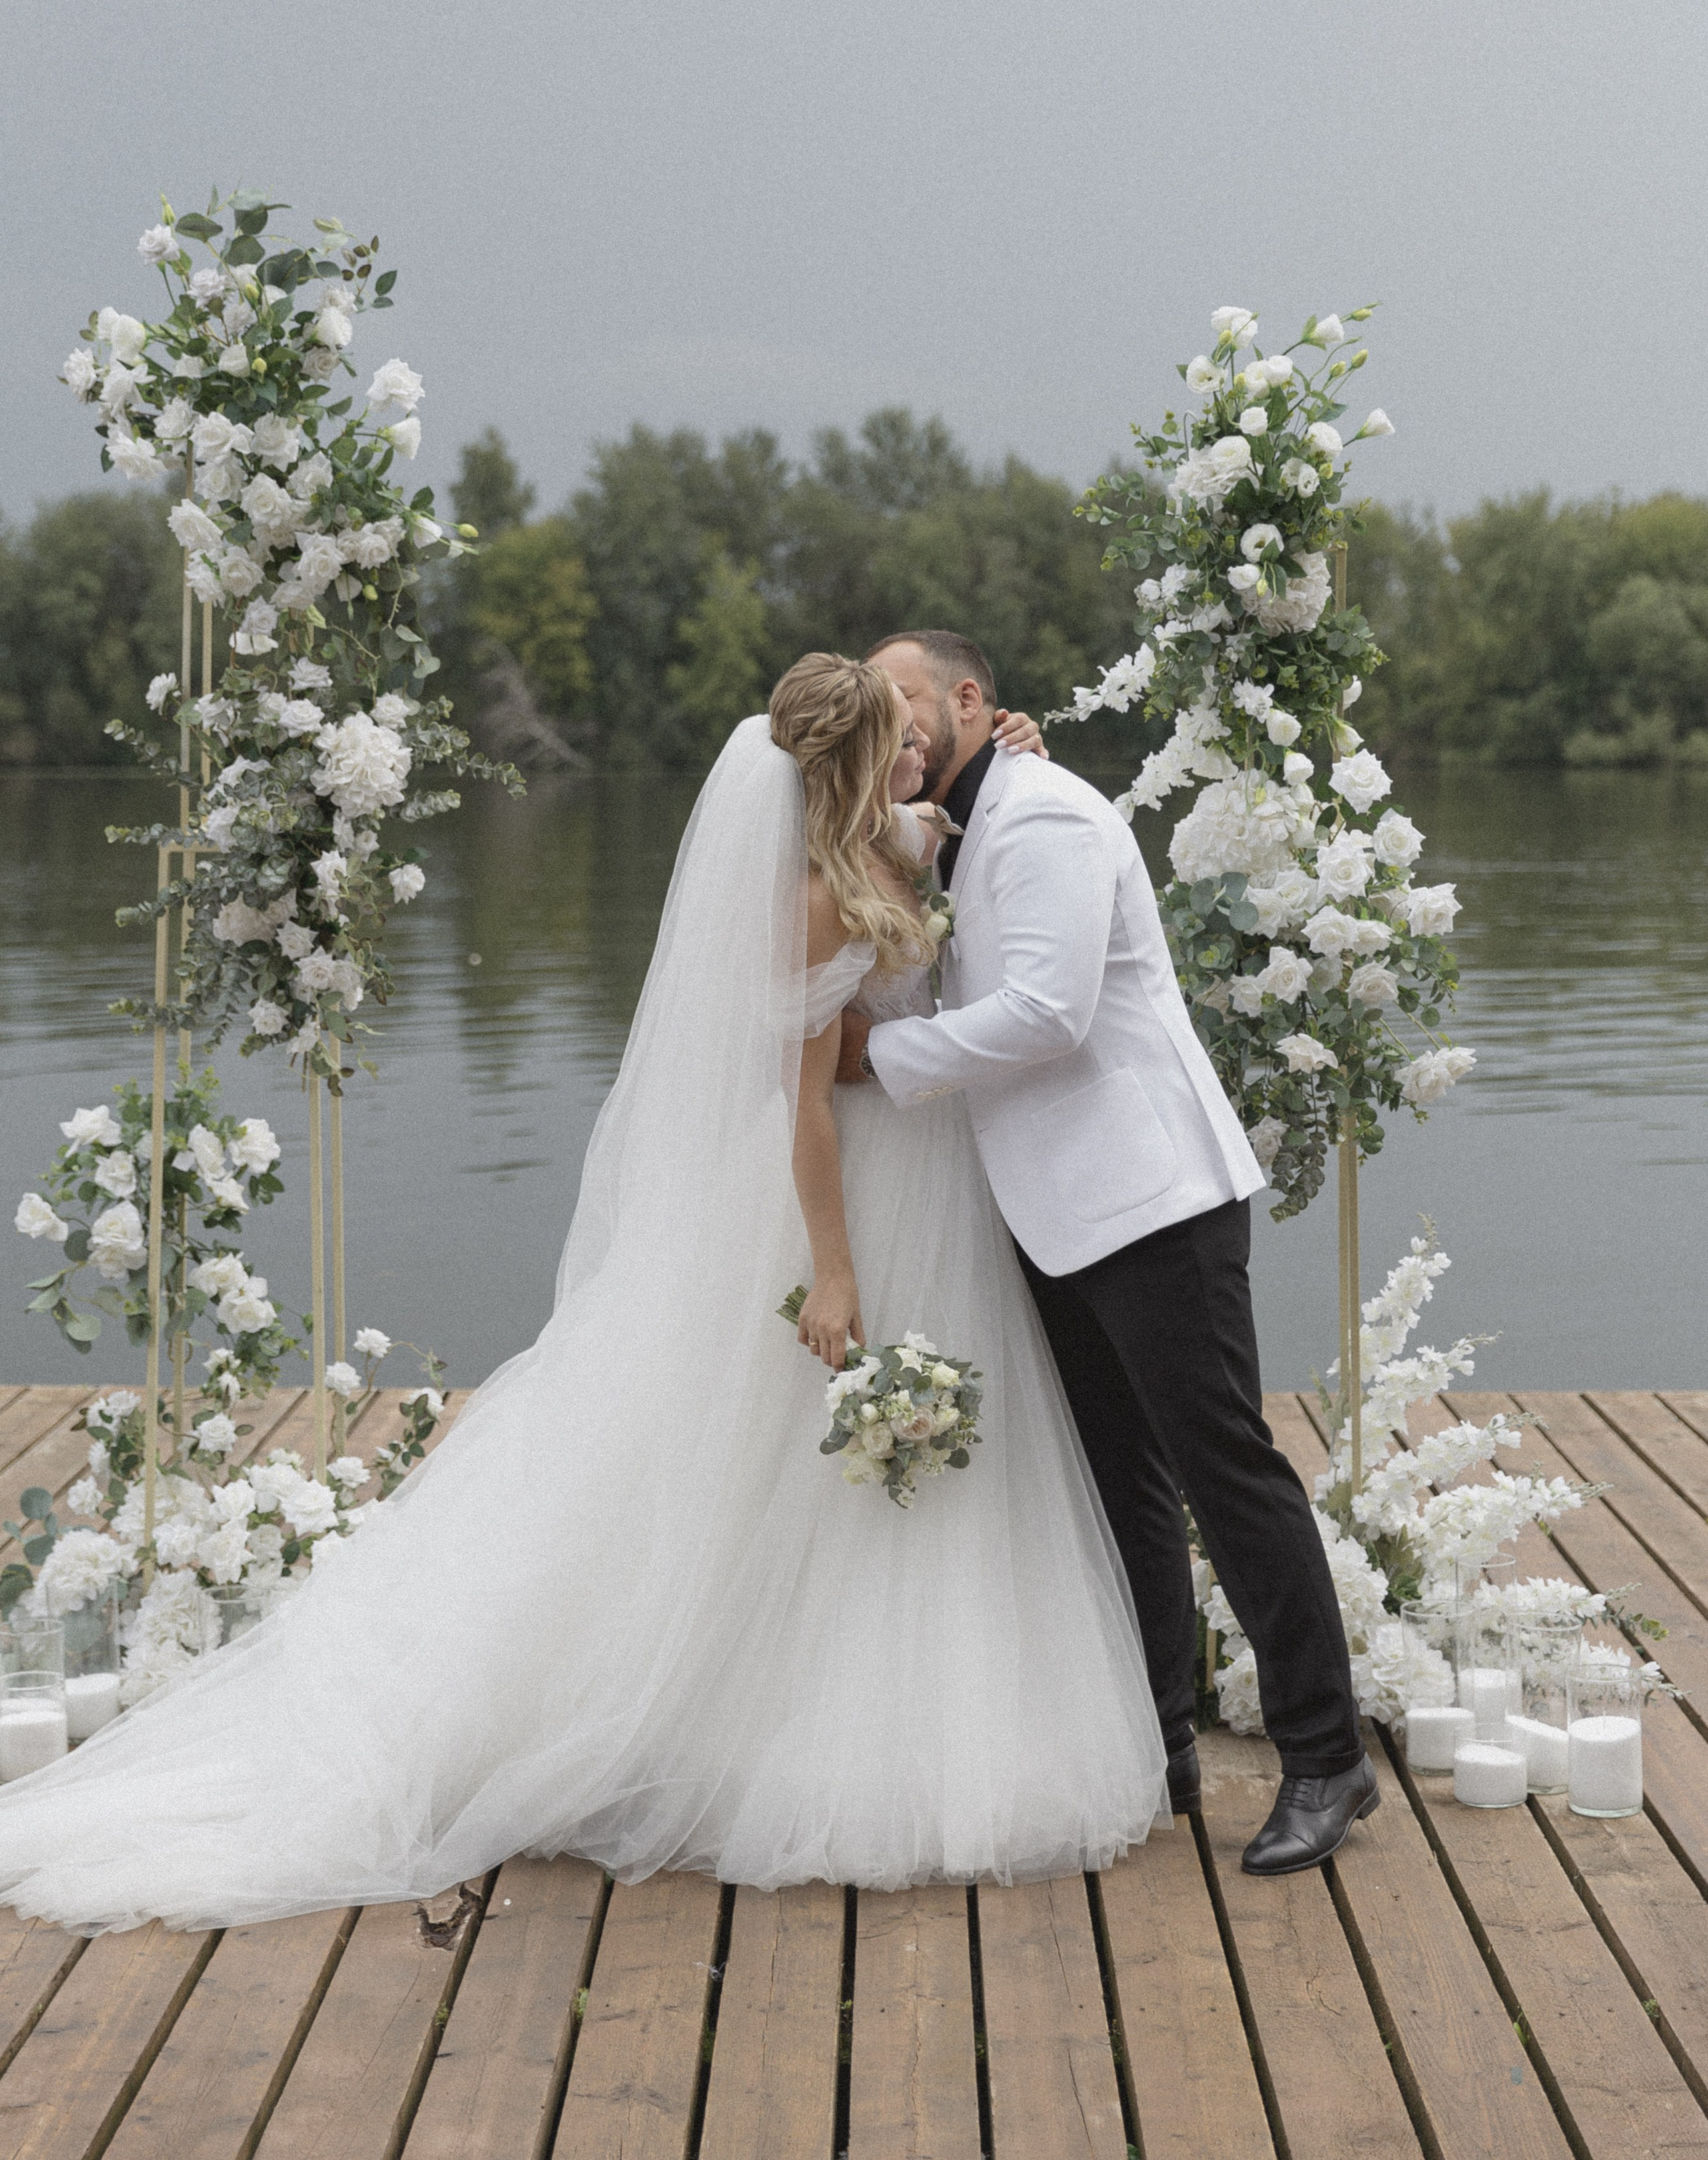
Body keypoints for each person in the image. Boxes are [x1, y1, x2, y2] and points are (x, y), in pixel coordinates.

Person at [0, 657, 1167, 1935]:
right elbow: (804, 1109)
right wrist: (832, 1268)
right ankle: (775, 1731)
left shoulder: (903, 839)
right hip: (852, 1191)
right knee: (794, 1458)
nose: (921, 756)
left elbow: (966, 820)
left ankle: (937, 1708)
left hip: (938, 1185)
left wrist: (1009, 757)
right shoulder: (819, 901)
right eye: (898, 744)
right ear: (845, 772)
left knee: (919, 1477)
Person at [837, 630, 1376, 1876]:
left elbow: (1052, 1011)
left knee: (1225, 1472)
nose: (893, 725)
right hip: (1056, 1209)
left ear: (973, 702)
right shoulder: (957, 827)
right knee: (1121, 1481)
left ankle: (1326, 1758)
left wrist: (881, 1062)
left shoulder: (1045, 820)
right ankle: (1158, 1743)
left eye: (907, 702)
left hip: (1152, 1202)